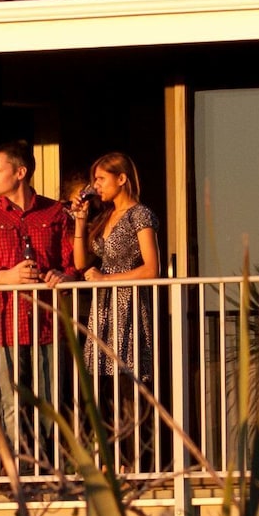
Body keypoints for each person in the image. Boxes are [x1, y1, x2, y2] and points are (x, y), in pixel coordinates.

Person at [0, 139, 75, 354]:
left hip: (48, 326)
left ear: (20, 172)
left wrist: (64, 278)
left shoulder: (55, 211)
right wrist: (4, 277)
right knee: (9, 388)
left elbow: (72, 266)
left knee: (50, 388)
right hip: (7, 327)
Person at [69, 152, 161, 392]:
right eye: (94, 180)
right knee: (102, 386)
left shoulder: (139, 214)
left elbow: (152, 269)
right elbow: (80, 263)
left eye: (101, 179)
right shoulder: (106, 216)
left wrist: (105, 278)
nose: (95, 186)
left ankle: (135, 429)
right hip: (102, 308)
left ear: (121, 179)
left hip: (128, 305)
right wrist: (80, 221)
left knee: (127, 383)